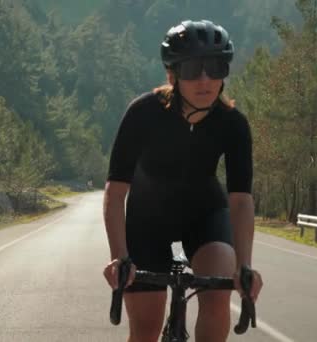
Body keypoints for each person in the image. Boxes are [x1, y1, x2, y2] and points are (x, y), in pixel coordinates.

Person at [103, 19, 263, 342]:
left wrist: (244, 266)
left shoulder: (233, 124)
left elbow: (241, 200)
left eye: (215, 67)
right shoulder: (143, 113)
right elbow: (116, 192)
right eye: (192, 69)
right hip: (146, 220)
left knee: (218, 291)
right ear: (172, 74)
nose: (204, 79)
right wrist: (119, 257)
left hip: (204, 215)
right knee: (145, 328)